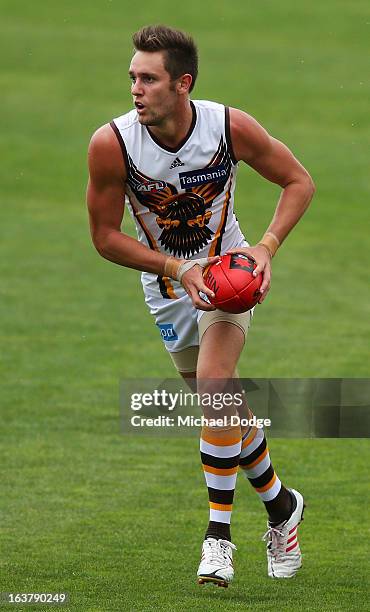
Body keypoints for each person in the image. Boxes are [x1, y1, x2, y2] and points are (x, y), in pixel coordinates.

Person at [86, 24, 315, 587]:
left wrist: (264, 248)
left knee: (216, 385)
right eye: (132, 78)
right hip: (167, 286)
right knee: (222, 412)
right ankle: (283, 506)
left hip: (228, 277)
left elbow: (298, 181)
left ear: (182, 84)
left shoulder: (227, 127)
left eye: (149, 79)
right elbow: (103, 236)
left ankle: (218, 539)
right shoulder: (111, 144)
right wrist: (175, 269)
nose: (136, 89)